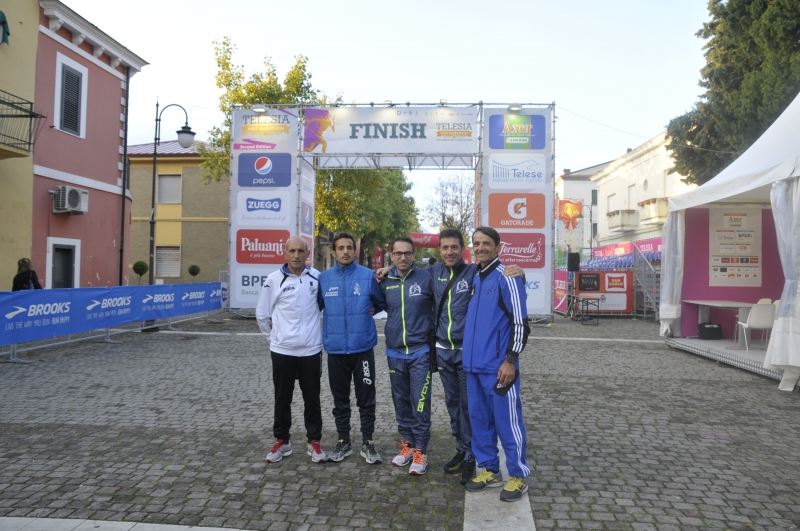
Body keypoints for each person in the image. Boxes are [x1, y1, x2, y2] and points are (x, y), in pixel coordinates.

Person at [376, 229, 524, 485]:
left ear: (462, 249)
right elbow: (407, 271)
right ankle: (462, 448)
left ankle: (470, 455)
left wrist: (521, 272)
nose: (450, 252)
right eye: (445, 248)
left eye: (455, 247)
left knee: (469, 406)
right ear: (439, 250)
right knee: (453, 405)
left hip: (469, 353)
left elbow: (502, 279)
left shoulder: (473, 271)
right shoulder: (432, 273)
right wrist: (386, 270)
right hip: (443, 351)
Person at [463, 226, 531, 503]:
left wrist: (510, 360)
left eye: (486, 243)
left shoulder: (508, 277)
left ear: (497, 247)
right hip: (473, 366)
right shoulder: (474, 276)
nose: (481, 247)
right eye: (476, 243)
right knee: (479, 421)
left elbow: (520, 324)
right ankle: (490, 470)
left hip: (499, 368)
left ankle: (518, 475)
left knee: (507, 422)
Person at [256, 236, 327, 464]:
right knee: (282, 398)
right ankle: (282, 441)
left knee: (312, 398)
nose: (297, 255)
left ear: (308, 254)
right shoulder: (274, 279)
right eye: (292, 251)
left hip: (311, 350)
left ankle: (314, 441)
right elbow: (262, 315)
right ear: (284, 253)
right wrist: (275, 338)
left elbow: (323, 307)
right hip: (282, 350)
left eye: (301, 251)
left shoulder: (317, 278)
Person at [318, 232, 386, 464]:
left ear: (354, 251)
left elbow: (381, 303)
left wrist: (375, 309)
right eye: (341, 248)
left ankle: (368, 442)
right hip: (336, 350)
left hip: (362, 348)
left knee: (366, 398)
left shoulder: (367, 276)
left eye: (349, 247)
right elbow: (316, 306)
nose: (345, 251)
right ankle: (343, 440)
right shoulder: (324, 279)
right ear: (334, 252)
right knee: (340, 399)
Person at [380, 237, 434, 475]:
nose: (403, 257)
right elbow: (377, 306)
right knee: (401, 402)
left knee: (419, 403)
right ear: (392, 256)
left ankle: (421, 451)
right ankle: (408, 445)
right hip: (394, 352)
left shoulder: (426, 278)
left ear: (414, 255)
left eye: (408, 253)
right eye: (398, 253)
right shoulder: (384, 282)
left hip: (420, 352)